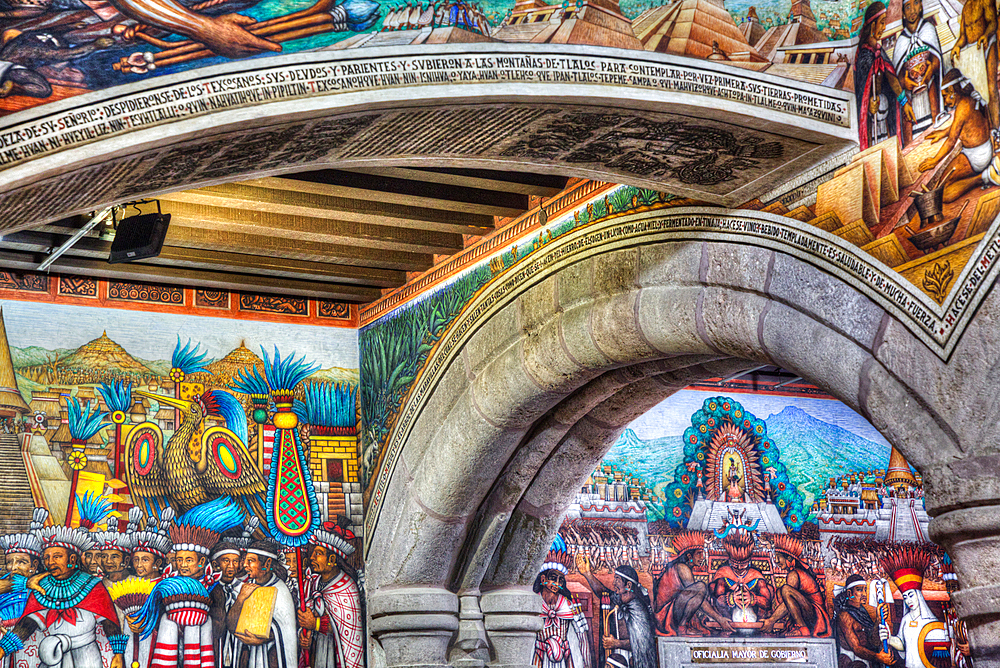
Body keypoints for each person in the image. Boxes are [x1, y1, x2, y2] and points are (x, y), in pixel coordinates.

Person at [0, 526, 127, 668]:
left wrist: (118, 655)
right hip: (51, 655)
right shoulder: (41, 586)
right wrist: (3, 649)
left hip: (86, 656)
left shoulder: (92, 585)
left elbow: (109, 622)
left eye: (57, 557)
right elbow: (27, 624)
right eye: (47, 558)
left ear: (72, 559)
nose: (50, 562)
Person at [919, 70, 997, 201]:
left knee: (942, 193)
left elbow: (951, 141)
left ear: (951, 91)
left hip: (977, 157)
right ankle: (984, 174)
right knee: (941, 184)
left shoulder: (963, 107)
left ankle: (984, 177)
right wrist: (943, 132)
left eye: (945, 96)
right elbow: (966, 125)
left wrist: (934, 160)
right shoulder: (970, 99)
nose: (945, 102)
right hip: (983, 150)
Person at [298, 522, 363, 668]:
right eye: (313, 553)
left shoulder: (347, 587)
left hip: (335, 657)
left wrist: (315, 624)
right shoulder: (313, 583)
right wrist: (305, 636)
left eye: (318, 554)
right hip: (317, 653)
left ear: (332, 560)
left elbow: (344, 630)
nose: (312, 557)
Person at [575, 555, 657, 668]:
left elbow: (642, 643)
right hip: (618, 657)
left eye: (617, 579)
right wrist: (587, 573)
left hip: (633, 660)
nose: (613, 583)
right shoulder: (621, 600)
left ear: (628, 585)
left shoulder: (639, 610)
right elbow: (603, 593)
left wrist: (616, 643)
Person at [855, 1, 916, 149]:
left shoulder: (879, 51)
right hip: (872, 121)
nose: (883, 27)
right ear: (872, 25)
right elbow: (861, 93)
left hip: (885, 114)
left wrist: (904, 103)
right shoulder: (864, 55)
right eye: (882, 23)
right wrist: (868, 104)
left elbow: (891, 78)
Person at [227, 539, 297, 668]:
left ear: (267, 563)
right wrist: (240, 599)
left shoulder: (281, 591)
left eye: (251, 561)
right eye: (245, 560)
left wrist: (266, 637)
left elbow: (286, 632)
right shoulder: (245, 588)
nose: (245, 565)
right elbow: (231, 626)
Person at [652, 531, 733, 636]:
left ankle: (685, 626)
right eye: (699, 554)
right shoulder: (682, 568)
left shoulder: (684, 567)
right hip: (666, 616)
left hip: (673, 610)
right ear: (689, 555)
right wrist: (719, 619)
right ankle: (682, 628)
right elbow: (698, 596)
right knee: (700, 587)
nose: (702, 557)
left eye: (702, 553)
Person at [881, 550, 950, 668]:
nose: (908, 600)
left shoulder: (931, 622)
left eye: (911, 595)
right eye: (905, 597)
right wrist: (889, 638)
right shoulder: (906, 619)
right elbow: (903, 645)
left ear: (918, 595)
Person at [530, 537, 590, 668]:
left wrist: (586, 664)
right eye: (553, 578)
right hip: (540, 658)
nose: (557, 584)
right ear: (543, 579)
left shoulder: (569, 605)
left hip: (564, 661)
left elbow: (582, 636)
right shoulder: (532, 603)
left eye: (560, 580)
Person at [893, 0, 944, 142]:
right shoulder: (901, 42)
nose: (912, 10)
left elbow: (936, 60)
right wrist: (905, 82)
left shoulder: (928, 29)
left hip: (929, 89)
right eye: (907, 7)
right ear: (903, 13)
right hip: (912, 98)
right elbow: (897, 77)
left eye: (915, 3)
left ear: (921, 5)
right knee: (915, 140)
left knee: (934, 131)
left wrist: (927, 76)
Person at [760, 535, 830, 637]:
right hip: (808, 611)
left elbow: (788, 601)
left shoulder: (794, 574)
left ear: (788, 558)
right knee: (782, 591)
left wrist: (771, 620)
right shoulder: (794, 573)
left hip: (815, 613)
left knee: (786, 590)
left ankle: (802, 628)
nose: (776, 561)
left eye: (778, 557)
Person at [949, 0, 999, 142]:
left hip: (987, 45)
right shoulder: (966, 8)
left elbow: (992, 23)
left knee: (990, 88)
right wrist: (957, 47)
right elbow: (963, 36)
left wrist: (986, 35)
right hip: (973, 52)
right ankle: (987, 129)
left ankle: (996, 129)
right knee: (977, 93)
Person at [833, 574, 895, 668]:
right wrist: (879, 657)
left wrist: (878, 619)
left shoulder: (862, 613)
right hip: (852, 660)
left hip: (868, 659)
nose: (864, 594)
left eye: (865, 590)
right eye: (859, 590)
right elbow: (856, 648)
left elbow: (873, 641)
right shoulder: (844, 615)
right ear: (849, 594)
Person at [0, 508, 46, 629]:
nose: (14, 567)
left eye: (21, 562)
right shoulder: (4, 583)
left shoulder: (44, 586)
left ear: (34, 565)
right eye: (9, 562)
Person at [211, 540, 244, 668]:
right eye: (226, 561)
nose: (231, 566)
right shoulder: (210, 589)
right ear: (215, 564)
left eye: (235, 561)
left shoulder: (244, 588)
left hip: (238, 647)